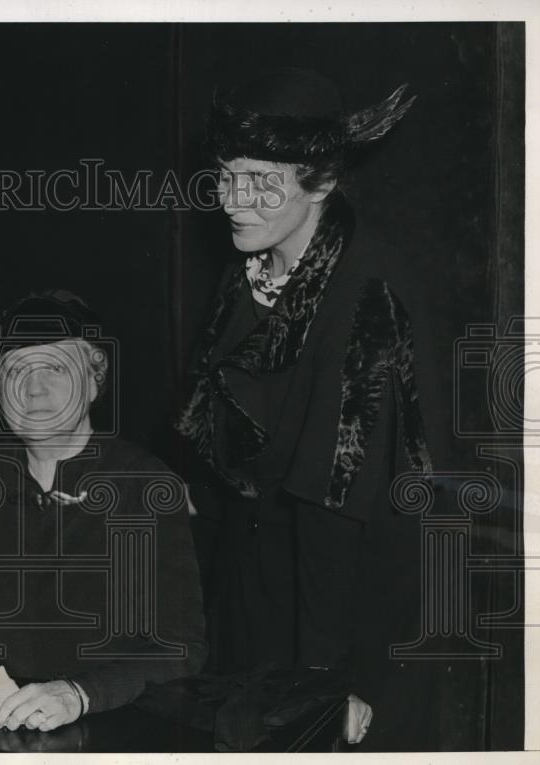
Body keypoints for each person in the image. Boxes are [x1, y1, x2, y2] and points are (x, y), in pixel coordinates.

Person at [177, 68, 440, 748]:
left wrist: (331, 680)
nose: (233, 199)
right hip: (260, 592)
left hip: (348, 618)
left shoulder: (367, 290)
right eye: (225, 173)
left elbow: (340, 504)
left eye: (260, 180)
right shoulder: (253, 268)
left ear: (319, 179)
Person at [0, 291, 207, 732]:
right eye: (17, 370)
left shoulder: (144, 483)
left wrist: (80, 693)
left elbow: (181, 647)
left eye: (55, 367)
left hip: (110, 726)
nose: (34, 387)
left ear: (95, 380)